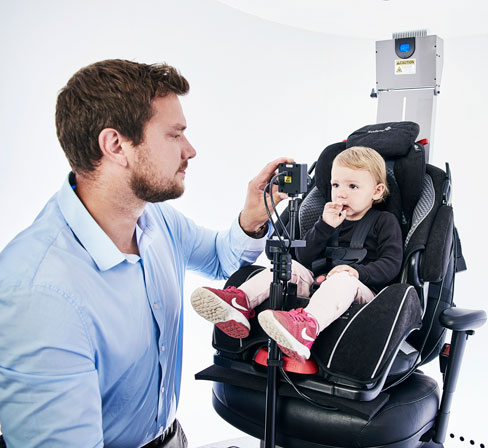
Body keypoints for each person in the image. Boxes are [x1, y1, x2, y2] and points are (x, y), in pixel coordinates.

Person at [0, 59, 290, 447]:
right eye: (175, 135)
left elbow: (221, 258)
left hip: (170, 437)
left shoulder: (154, 219)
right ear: (116, 145)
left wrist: (253, 218)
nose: (191, 150)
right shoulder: (40, 294)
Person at [190, 146, 403, 362]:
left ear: (376, 192)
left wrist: (357, 272)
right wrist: (325, 226)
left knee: (343, 279)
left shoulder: (384, 222)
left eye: (353, 186)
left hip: (360, 293)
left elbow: (391, 264)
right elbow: (304, 258)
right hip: (318, 285)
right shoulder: (327, 217)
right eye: (336, 185)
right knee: (287, 266)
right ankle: (239, 302)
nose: (341, 192)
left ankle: (305, 329)